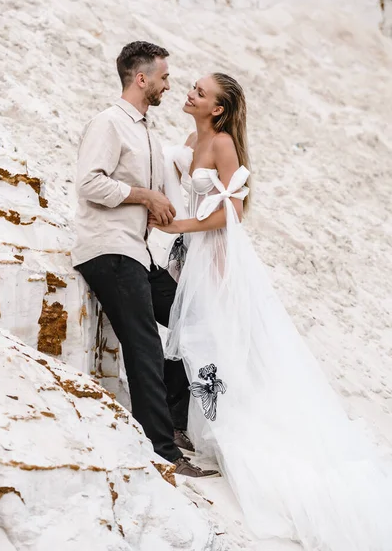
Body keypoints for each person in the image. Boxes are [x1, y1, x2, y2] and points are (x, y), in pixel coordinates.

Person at [149, 72, 392, 549]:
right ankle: (182, 414)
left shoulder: (221, 144)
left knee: (204, 334)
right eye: (192, 88)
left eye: (200, 92)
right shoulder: (190, 136)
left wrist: (182, 223)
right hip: (188, 252)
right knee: (188, 332)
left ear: (217, 109)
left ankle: (199, 420)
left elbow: (233, 212)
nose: (190, 94)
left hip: (215, 256)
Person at [71, 41, 217, 477]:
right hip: (108, 250)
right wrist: (143, 196)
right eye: (165, 77)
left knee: (191, 321)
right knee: (145, 344)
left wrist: (154, 208)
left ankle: (173, 424)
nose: (169, 85)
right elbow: (88, 183)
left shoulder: (147, 132)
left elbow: (143, 193)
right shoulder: (109, 123)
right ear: (142, 78)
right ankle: (164, 452)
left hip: (136, 252)